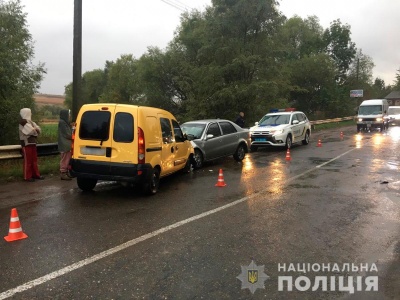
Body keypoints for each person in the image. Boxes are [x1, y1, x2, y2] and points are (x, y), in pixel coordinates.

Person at [19, 108, 44, 182]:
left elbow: (39, 130)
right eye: (30, 112)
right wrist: (35, 130)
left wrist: (35, 130)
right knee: (28, 161)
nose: (31, 114)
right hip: (26, 143)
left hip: (32, 142)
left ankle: (36, 174)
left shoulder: (31, 122)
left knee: (34, 160)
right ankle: (27, 176)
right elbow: (30, 131)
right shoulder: (23, 122)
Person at [58, 109, 73, 180]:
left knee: (67, 158)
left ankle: (66, 172)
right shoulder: (62, 123)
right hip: (64, 144)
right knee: (64, 158)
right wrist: (73, 136)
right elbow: (67, 134)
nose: (69, 116)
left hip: (66, 144)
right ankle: (63, 173)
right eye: (68, 114)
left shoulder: (65, 122)